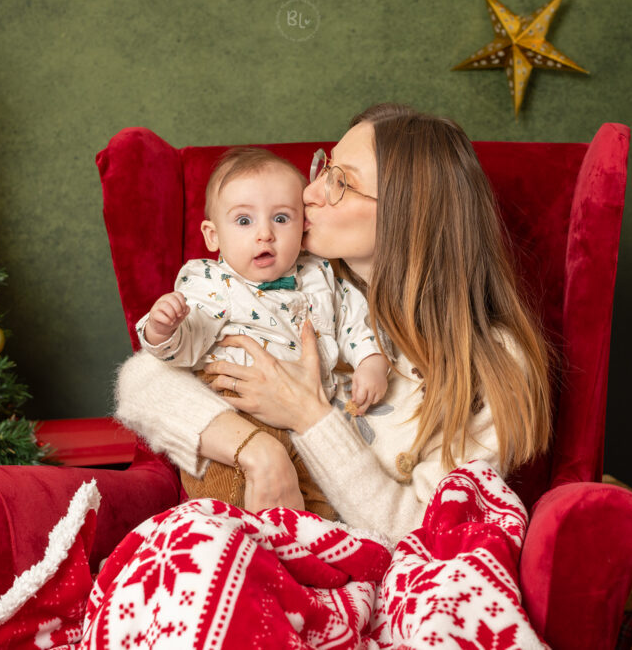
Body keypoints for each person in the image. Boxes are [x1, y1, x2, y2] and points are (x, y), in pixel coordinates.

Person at [115, 102, 553, 543]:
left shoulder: (494, 364)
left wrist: (308, 415)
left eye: (341, 182)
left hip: (360, 572)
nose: (309, 192)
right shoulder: (299, 282)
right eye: (325, 168)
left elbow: (422, 534)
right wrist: (259, 451)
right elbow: (143, 380)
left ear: (407, 215)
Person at [135, 146, 390, 515]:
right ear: (213, 235)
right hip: (238, 419)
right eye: (243, 221)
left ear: (304, 224)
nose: (265, 234)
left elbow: (355, 319)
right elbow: (185, 344)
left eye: (281, 218)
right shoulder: (212, 282)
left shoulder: (319, 274)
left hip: (313, 426)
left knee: (322, 513)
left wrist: (370, 360)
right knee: (232, 509)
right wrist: (164, 328)